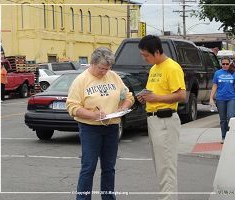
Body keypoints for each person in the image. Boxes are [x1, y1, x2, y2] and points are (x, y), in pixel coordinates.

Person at [66, 47, 134, 200]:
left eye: (108, 68)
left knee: (109, 168)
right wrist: (92, 115)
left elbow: (128, 95)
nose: (104, 72)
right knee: (88, 167)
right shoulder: (81, 81)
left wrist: (124, 106)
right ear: (92, 63)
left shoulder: (114, 77)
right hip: (90, 128)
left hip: (112, 127)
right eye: (102, 68)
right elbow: (72, 107)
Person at [137, 35, 186, 200]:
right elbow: (154, 93)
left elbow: (181, 95)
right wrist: (145, 96)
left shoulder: (172, 67)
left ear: (157, 51)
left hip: (165, 120)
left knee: (166, 168)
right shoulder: (154, 68)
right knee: (160, 167)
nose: (145, 59)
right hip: (153, 120)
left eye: (146, 55)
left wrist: (155, 98)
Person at [210, 56, 235, 144]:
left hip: (231, 98)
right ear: (221, 64)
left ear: (229, 64)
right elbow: (215, 86)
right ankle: (224, 136)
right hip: (220, 98)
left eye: (226, 64)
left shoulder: (234, 72)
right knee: (223, 119)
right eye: (223, 64)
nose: (225, 65)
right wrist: (211, 98)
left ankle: (231, 135)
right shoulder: (217, 73)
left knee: (230, 116)